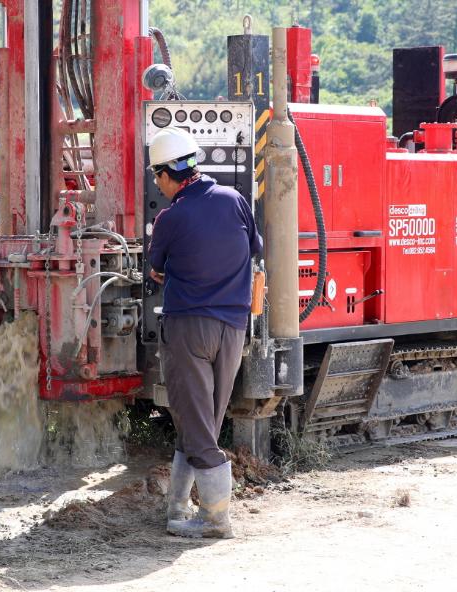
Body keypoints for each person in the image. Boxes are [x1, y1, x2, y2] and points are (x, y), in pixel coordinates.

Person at [148, 127, 263, 539]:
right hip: (233, 329)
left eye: (156, 176)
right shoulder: (235, 201)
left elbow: (155, 270)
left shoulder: (170, 217)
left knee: (196, 425)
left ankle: (216, 519)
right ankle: (178, 507)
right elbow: (255, 249)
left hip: (189, 329)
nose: (157, 184)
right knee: (200, 424)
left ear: (166, 174)